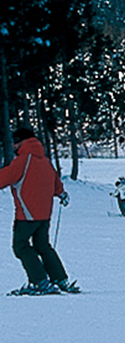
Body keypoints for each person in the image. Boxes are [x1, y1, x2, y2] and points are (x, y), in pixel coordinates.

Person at [0, 126, 74, 295]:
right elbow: (57, 185)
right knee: (42, 245)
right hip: (44, 215)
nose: (11, 145)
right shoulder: (44, 160)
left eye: (13, 141)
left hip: (26, 214)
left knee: (21, 246)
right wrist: (62, 194)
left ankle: (39, 281)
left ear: (20, 142)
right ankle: (60, 279)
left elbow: (5, 177)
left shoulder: (23, 161)